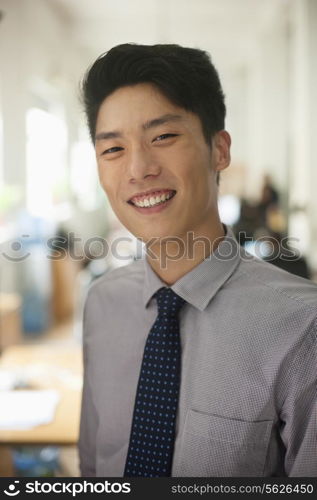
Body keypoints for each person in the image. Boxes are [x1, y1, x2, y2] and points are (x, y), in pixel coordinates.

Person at [78, 43, 317, 477]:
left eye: (163, 137)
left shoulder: (302, 327)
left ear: (219, 150)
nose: (138, 169)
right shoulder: (101, 303)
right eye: (112, 149)